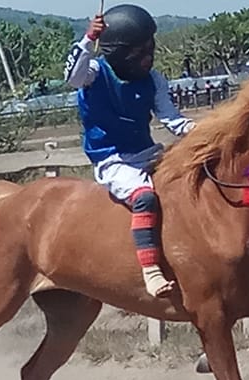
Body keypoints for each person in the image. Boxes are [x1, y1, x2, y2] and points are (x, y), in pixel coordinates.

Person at [63, 3, 195, 298]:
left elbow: (172, 119)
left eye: (150, 47)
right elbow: (72, 77)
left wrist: (207, 132)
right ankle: (150, 270)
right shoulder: (95, 73)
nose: (147, 56)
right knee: (145, 197)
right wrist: (87, 38)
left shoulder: (154, 80)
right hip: (112, 160)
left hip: (147, 153)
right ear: (118, 51)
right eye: (139, 51)